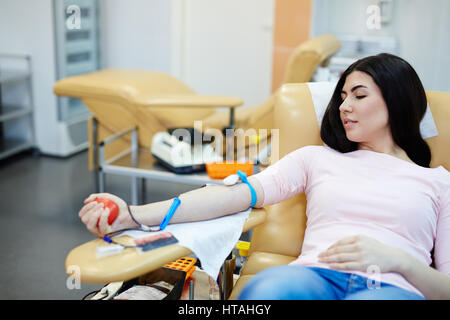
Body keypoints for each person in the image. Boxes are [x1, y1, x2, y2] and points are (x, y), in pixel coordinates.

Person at [78, 53, 450, 300]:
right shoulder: (316, 159)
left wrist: (399, 261)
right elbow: (233, 195)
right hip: (312, 277)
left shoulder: (438, 182)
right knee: (267, 291)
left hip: (391, 286)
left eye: (358, 94)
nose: (344, 106)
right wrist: (133, 214)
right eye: (341, 97)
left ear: (397, 99)